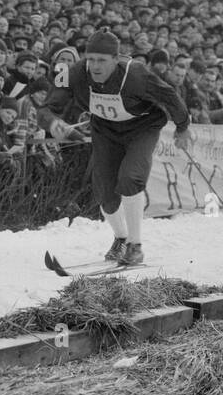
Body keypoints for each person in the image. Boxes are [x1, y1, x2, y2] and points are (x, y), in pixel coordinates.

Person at [38, 29, 191, 267]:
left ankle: (135, 245)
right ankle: (121, 237)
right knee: (105, 193)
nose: (95, 66)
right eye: (91, 59)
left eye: (102, 60)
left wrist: (183, 127)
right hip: (106, 130)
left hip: (142, 128)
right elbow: (46, 108)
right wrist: (53, 122)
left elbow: (169, 96)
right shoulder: (75, 73)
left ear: (115, 59)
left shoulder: (136, 74)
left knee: (130, 178)